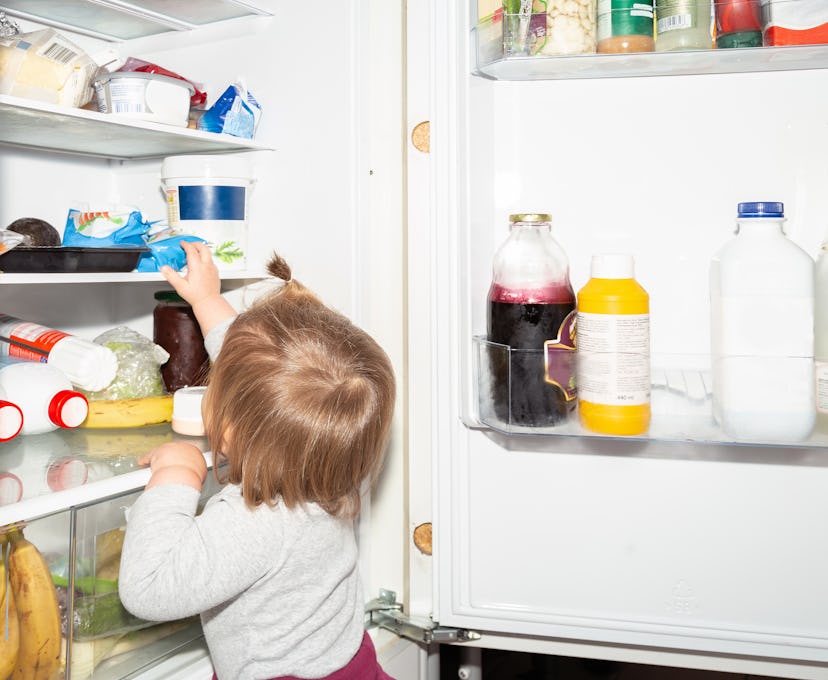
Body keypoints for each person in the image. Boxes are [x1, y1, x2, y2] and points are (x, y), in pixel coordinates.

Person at [119, 241, 397, 680]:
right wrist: (207, 299)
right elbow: (260, 366)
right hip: (351, 662)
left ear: (227, 432)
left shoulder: (254, 520)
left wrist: (177, 472)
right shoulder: (329, 460)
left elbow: (149, 587)